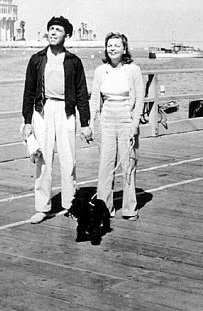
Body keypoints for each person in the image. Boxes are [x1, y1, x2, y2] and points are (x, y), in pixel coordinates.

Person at [22, 16, 93, 224]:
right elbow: (28, 92)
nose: (53, 33)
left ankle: (69, 205)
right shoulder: (37, 59)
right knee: (43, 160)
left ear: (67, 35)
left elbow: (82, 93)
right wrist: (27, 120)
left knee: (68, 159)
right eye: (51, 29)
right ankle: (42, 207)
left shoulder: (73, 62)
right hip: (42, 110)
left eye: (58, 30)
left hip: (66, 110)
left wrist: (86, 123)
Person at [89, 32, 144, 221]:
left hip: (127, 120)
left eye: (117, 45)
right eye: (109, 45)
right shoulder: (99, 71)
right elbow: (95, 99)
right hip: (106, 122)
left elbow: (140, 100)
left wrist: (135, 125)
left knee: (128, 164)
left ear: (124, 49)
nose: (112, 48)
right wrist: (91, 124)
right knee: (105, 165)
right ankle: (105, 208)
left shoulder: (133, 70)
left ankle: (130, 208)